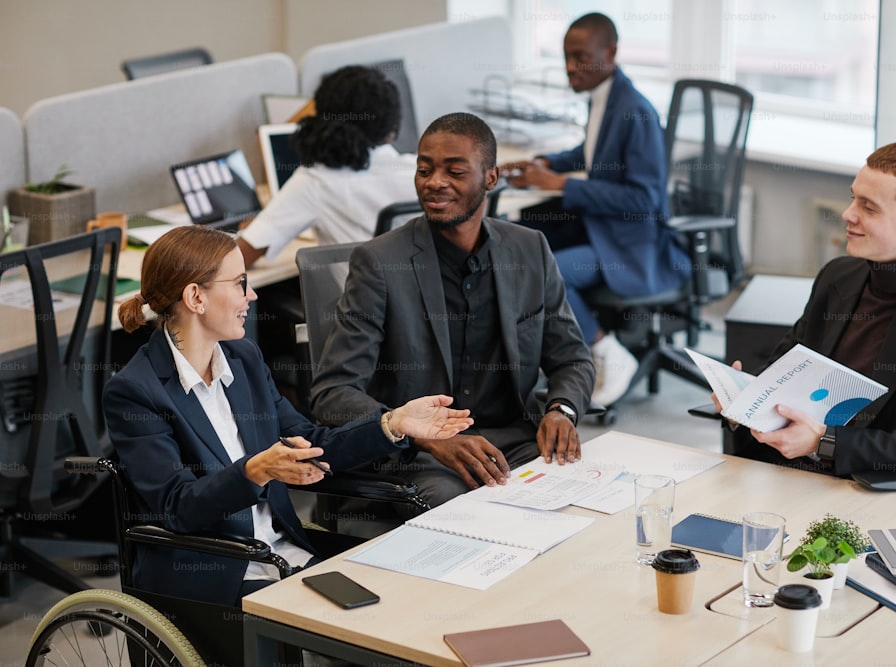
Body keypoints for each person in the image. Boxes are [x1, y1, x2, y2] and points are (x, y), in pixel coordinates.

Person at [105, 225, 473, 607]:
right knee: (364, 629)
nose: (252, 294)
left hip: (282, 552)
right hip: (214, 571)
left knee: (408, 600)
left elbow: (309, 442)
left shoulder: (243, 359)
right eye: (240, 283)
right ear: (196, 297)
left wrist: (391, 424)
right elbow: (178, 508)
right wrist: (257, 469)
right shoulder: (135, 391)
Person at [310, 112, 595, 509]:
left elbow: (572, 359)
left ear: (491, 178)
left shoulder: (529, 250)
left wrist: (561, 410)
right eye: (424, 169)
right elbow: (332, 394)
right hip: (419, 456)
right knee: (462, 512)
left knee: (578, 499)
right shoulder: (379, 263)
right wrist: (423, 434)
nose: (434, 182)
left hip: (514, 442)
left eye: (455, 171)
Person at [724, 140, 896, 480]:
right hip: (788, 472)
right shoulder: (838, 277)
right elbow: (781, 372)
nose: (848, 213)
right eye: (853, 198)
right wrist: (743, 402)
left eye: (869, 207)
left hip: (867, 486)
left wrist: (825, 442)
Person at [499, 12, 690, 406]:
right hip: (602, 228)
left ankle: (603, 350)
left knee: (551, 273)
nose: (572, 67)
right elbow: (591, 156)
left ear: (612, 52)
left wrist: (564, 185)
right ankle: (537, 360)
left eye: (582, 57)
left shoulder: (635, 111)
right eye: (567, 57)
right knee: (517, 240)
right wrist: (546, 164)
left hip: (630, 244)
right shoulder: (604, 97)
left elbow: (644, 199)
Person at [238, 65, 415, 267]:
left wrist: (260, 228)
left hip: (361, 298)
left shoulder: (317, 181)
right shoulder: (424, 173)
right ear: (392, 129)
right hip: (428, 298)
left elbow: (238, 259)